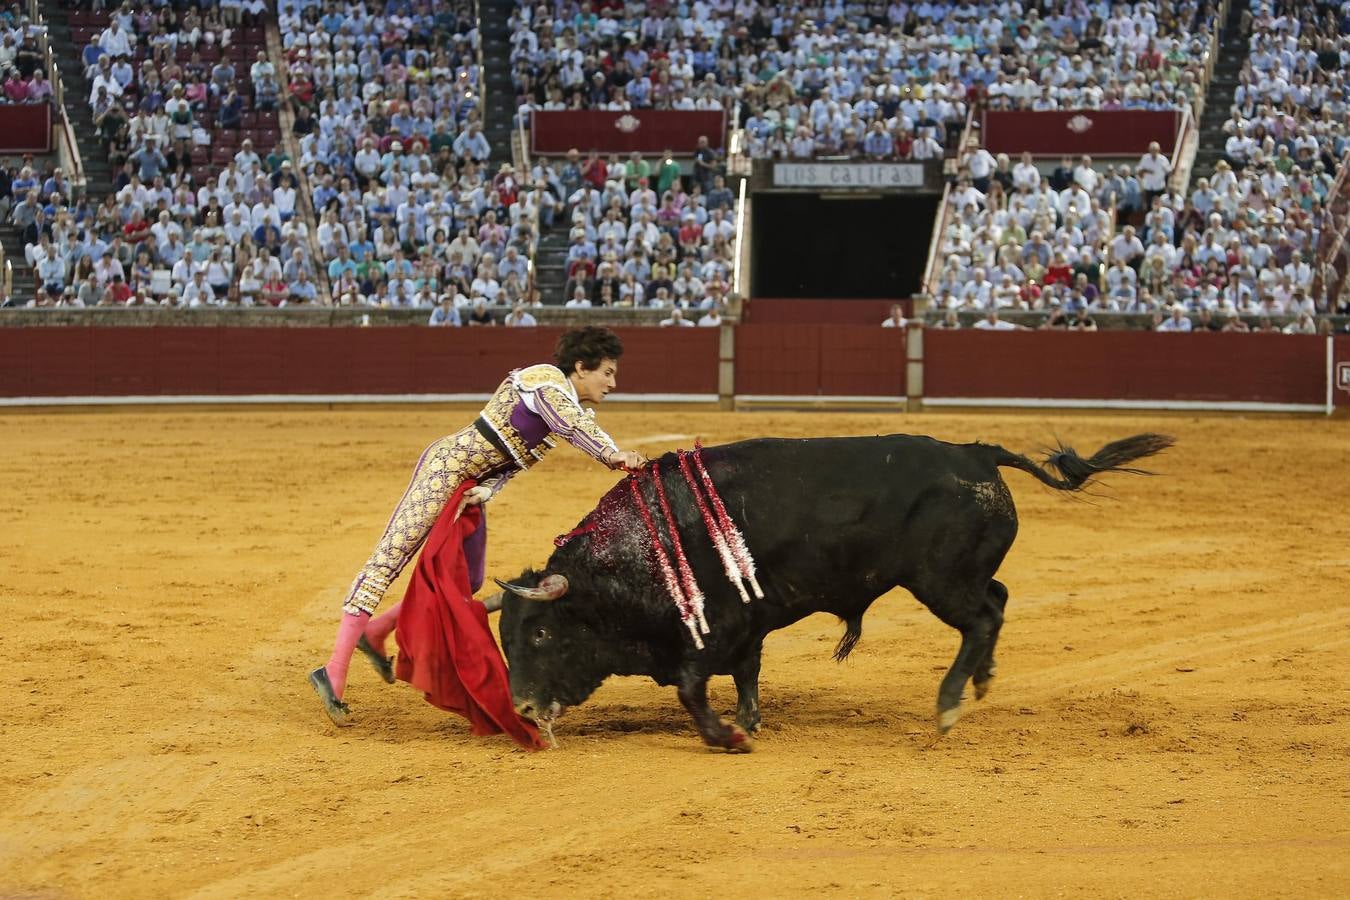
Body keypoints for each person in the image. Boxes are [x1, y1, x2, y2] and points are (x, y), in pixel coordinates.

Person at [310, 327, 650, 726]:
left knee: (467, 580)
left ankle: (377, 630)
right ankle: (333, 672)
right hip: (445, 469)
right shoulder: (546, 381)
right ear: (580, 366)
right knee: (389, 559)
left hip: (469, 487)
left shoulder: (559, 407)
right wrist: (611, 454)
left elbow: (510, 462)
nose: (612, 383)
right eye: (607, 372)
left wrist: (488, 490)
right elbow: (571, 423)